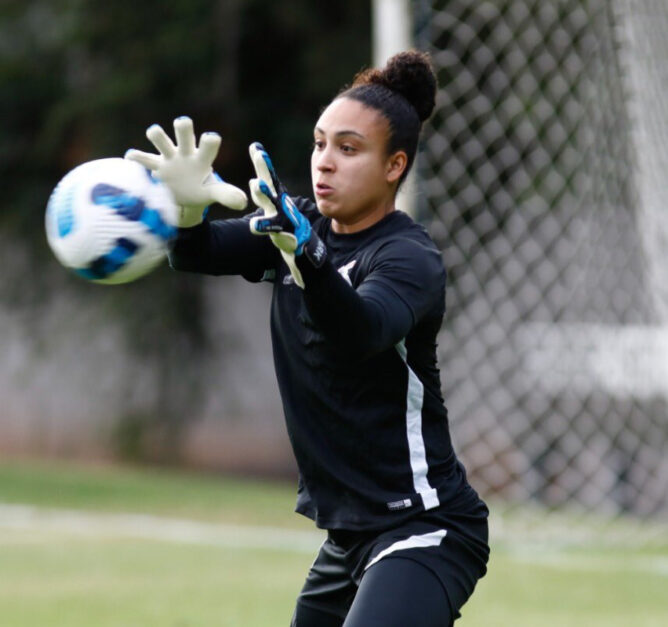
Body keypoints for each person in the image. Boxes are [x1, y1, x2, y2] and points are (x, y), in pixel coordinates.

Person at [126, 50, 488, 627]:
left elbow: (361, 331)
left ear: (395, 166)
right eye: (320, 144)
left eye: (348, 149)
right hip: (349, 542)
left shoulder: (407, 257)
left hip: (424, 527)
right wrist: (187, 213)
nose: (324, 163)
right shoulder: (294, 226)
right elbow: (196, 253)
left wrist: (308, 258)